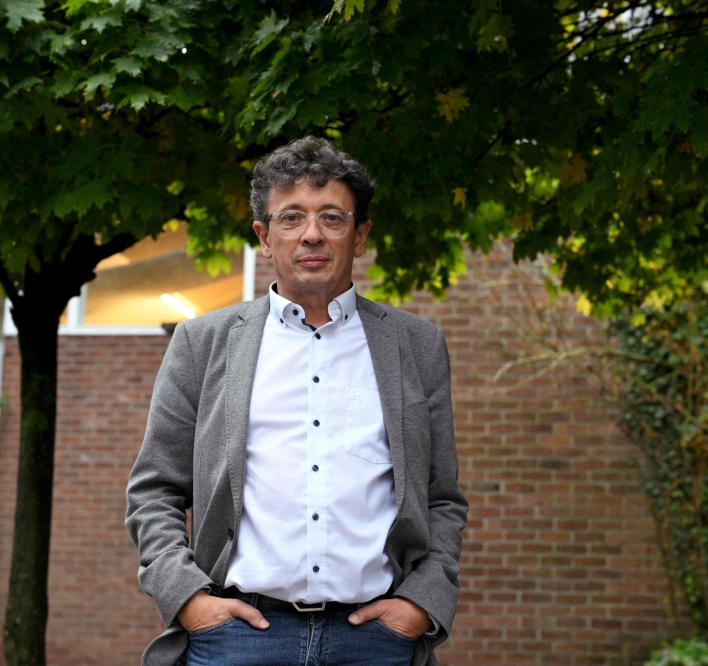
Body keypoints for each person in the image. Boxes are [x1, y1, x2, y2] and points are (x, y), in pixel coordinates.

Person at [125, 136, 468, 666]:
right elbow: (155, 490)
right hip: (236, 638)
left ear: (361, 234)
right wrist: (189, 599)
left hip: (376, 641)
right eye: (291, 218)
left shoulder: (416, 346)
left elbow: (442, 497)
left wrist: (421, 604)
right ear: (264, 235)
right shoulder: (203, 342)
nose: (312, 234)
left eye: (333, 217)